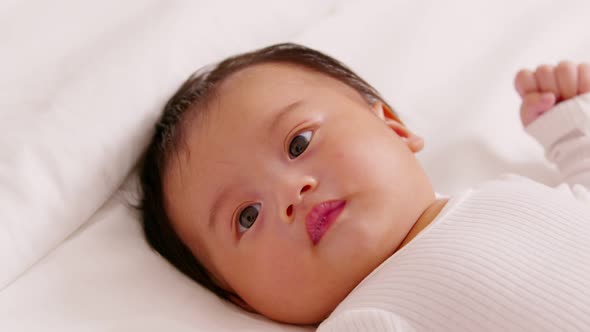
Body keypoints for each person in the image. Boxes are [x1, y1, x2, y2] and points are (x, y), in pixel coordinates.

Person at [137, 42, 590, 330]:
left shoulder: (508, 193)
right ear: (243, 299)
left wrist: (572, 126)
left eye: (299, 143)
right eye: (247, 216)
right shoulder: (364, 317)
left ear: (392, 127)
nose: (290, 193)